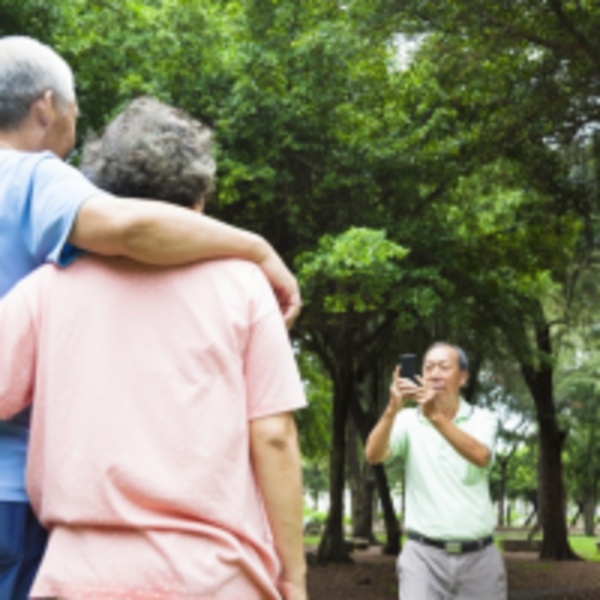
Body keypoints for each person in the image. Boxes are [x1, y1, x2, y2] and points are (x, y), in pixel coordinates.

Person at [0, 35, 301, 598]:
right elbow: (276, 439)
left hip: (74, 572)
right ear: (199, 201)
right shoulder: (244, 285)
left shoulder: (48, 287)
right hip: (214, 577)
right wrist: (294, 577)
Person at [365, 342, 506, 600]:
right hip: (422, 558)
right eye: (428, 367)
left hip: (480, 559)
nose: (434, 374)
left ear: (463, 377)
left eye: (444, 367)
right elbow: (373, 455)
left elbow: (480, 456)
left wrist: (435, 417)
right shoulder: (408, 420)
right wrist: (391, 410)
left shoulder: (484, 419)